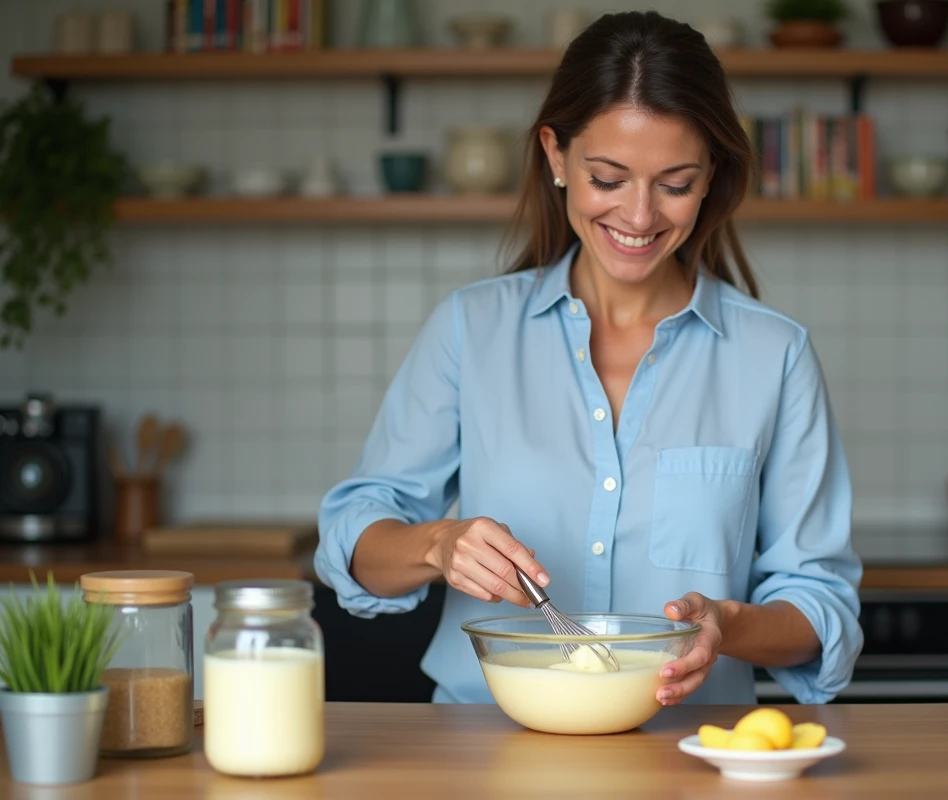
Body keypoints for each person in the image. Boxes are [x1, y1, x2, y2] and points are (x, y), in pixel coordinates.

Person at [316, 10, 862, 706]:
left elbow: (820, 607)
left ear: (711, 177)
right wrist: (438, 545)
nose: (639, 217)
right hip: (479, 755)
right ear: (556, 156)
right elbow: (352, 536)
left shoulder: (775, 355)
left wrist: (729, 625)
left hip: (690, 754)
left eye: (674, 184)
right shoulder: (470, 329)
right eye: (609, 178)